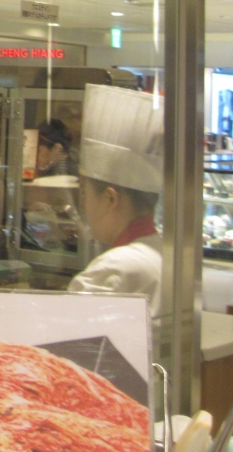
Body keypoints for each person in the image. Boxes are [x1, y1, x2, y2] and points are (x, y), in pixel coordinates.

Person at [69, 84, 164, 313]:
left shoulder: (113, 269)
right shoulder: (166, 253)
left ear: (110, 199)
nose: (83, 205)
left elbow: (70, 329)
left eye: (85, 193)